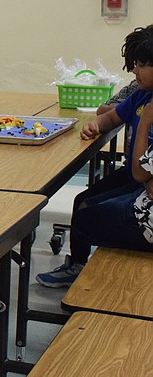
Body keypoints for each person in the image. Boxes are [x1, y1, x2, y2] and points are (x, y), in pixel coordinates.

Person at [37, 25, 153, 288]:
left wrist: (145, 121)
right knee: (82, 201)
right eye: (135, 64)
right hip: (137, 176)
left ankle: (102, 270)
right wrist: (96, 125)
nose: (135, 71)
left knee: (87, 216)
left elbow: (142, 173)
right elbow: (112, 116)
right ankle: (77, 264)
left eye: (142, 65)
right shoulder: (141, 95)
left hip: (143, 182)